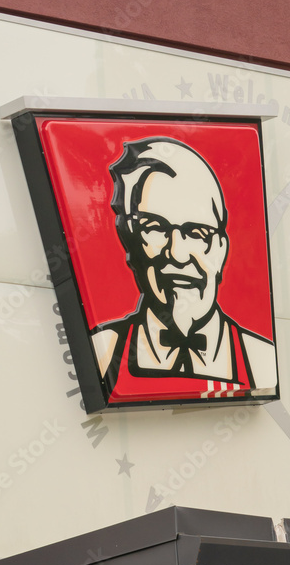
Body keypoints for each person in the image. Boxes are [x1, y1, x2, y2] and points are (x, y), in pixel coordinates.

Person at [91, 136, 277, 401]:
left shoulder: (261, 360)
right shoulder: (101, 353)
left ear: (221, 248)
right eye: (155, 228)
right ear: (131, 241)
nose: (177, 254)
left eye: (197, 232)